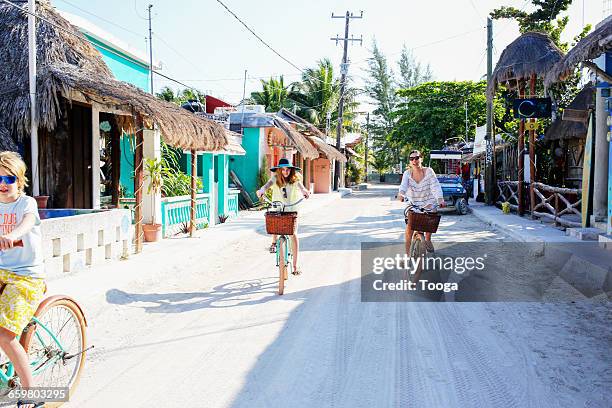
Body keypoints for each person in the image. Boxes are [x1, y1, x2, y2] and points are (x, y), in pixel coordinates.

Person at [0, 151, 46, 408]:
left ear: (20, 181)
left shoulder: (26, 204)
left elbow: (28, 223)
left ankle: (31, 394)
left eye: (9, 178)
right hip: (1, 271)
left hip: (26, 276)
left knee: (4, 336)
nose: (3, 184)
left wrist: (12, 234)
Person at [256, 158, 310, 275]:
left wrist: (306, 192)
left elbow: (302, 188)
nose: (286, 172)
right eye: (283, 169)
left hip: (292, 209)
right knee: (276, 221)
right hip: (278, 207)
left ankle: (295, 266)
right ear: (279, 170)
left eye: (288, 169)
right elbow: (266, 185)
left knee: (293, 234)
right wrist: (261, 190)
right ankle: (274, 242)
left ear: (291, 170)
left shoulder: (295, 180)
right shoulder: (275, 179)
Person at [397, 150, 445, 254]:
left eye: (417, 158)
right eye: (411, 159)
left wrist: (440, 199)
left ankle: (427, 239)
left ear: (421, 159)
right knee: (409, 228)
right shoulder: (407, 174)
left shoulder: (429, 171)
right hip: (414, 203)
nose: (414, 160)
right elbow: (403, 186)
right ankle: (407, 255)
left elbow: (435, 186)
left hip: (429, 203)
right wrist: (401, 195)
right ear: (410, 162)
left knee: (431, 219)